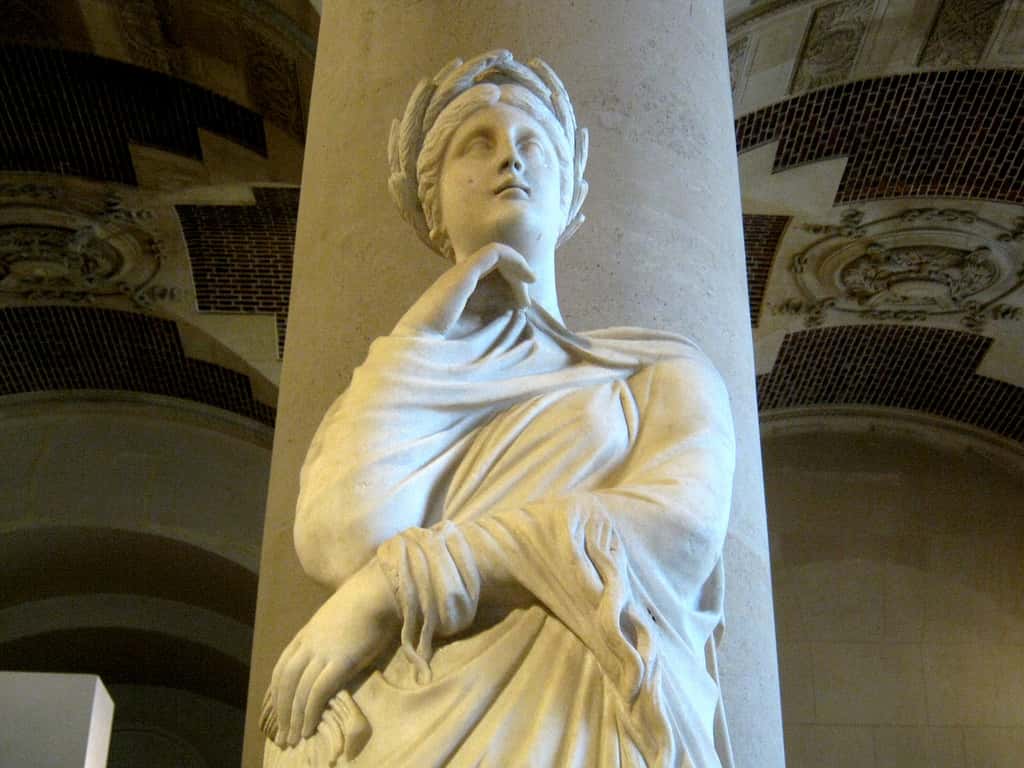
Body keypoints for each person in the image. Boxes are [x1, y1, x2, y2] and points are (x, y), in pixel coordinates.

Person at [261, 50, 736, 768]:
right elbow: (343, 538)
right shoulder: (395, 378)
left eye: (531, 143)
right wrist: (416, 341)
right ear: (433, 201)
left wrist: (394, 587)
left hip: (581, 720)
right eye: (475, 145)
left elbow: (678, 527)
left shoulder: (656, 373)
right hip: (406, 730)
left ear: (569, 193)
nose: (509, 157)